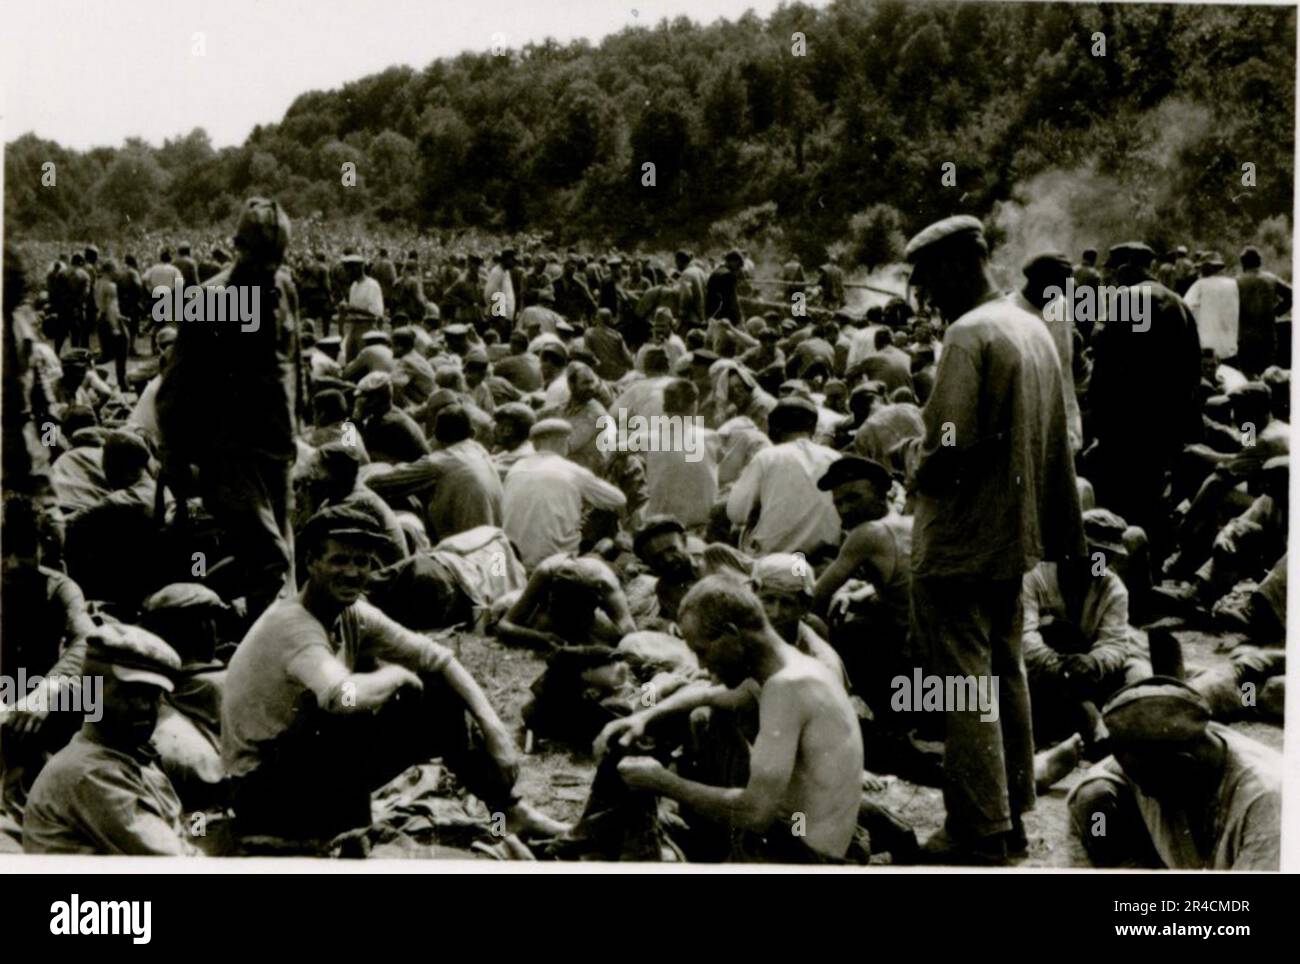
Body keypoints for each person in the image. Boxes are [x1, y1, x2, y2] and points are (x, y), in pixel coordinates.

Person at [900, 215, 1084, 864]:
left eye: (927, 282)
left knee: (962, 683)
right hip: (1013, 537)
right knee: (1005, 672)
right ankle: (1012, 815)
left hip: (957, 539)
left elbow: (950, 444)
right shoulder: (1031, 327)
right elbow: (1057, 444)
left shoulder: (967, 334)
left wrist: (912, 468)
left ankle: (977, 827)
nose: (925, 298)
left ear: (955, 268)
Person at [221, 504, 563, 845]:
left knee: (435, 692)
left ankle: (509, 811)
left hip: (296, 768)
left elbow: (437, 658)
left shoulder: (351, 612)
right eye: (339, 560)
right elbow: (342, 697)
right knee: (363, 709)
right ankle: (339, 832)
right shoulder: (293, 624)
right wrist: (397, 676)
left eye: (362, 562)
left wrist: (493, 728)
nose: (353, 573)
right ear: (311, 563)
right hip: (261, 791)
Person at [615, 575, 864, 862]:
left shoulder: (788, 688)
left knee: (648, 844)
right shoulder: (791, 668)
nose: (702, 665)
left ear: (731, 635)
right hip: (791, 831)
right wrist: (645, 716)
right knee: (704, 718)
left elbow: (755, 813)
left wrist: (661, 782)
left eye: (702, 651)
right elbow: (708, 695)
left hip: (802, 857)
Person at [155, 197, 299, 621]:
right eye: (259, 257)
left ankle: (256, 643)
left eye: (275, 258)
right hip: (229, 450)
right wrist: (177, 458)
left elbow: (293, 362)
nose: (267, 267)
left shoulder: (284, 288)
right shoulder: (210, 300)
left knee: (271, 559)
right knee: (270, 560)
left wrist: (297, 427)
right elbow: (176, 387)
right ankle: (265, 654)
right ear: (237, 247)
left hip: (277, 447)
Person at [1067, 678, 1280, 870]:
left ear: (1185, 764)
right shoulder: (1161, 757)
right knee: (1095, 798)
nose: (1145, 793)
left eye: (1148, 784)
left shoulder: (1267, 799)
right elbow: (1099, 784)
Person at [22, 624, 197, 855]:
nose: (145, 706)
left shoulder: (127, 755)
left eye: (154, 695)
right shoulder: (90, 773)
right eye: (130, 692)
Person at [502, 418, 627, 569]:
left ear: (535, 444)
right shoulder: (571, 470)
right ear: (562, 442)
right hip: (554, 562)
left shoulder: (515, 469)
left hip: (513, 559)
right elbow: (619, 500)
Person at [726, 397, 840, 557]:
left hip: (775, 559)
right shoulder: (835, 457)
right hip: (826, 556)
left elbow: (736, 513)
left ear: (773, 429)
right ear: (813, 429)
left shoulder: (767, 457)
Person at [1235, 246, 1292, 376]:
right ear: (1259, 262)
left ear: (1243, 264)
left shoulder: (1237, 282)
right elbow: (1292, 294)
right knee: (1268, 375)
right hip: (1268, 336)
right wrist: (1276, 312)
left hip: (1245, 337)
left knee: (1246, 375)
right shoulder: (1271, 279)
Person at [353, 371, 429, 466]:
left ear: (374, 399)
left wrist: (356, 418)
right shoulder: (393, 412)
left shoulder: (385, 423)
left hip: (414, 474)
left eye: (362, 397)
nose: (358, 401)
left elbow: (355, 449)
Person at [1183, 252, 1240, 363]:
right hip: (1230, 348)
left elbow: (1185, 308)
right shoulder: (1233, 284)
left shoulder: (1200, 285)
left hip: (1207, 349)